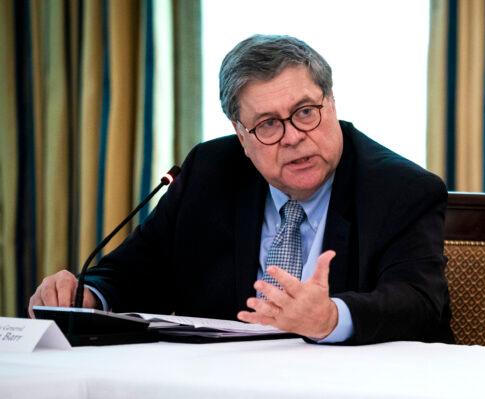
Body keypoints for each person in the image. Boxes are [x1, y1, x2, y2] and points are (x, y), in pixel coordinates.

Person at [29, 34, 453, 345]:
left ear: (332, 104)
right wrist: (88, 294)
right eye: (268, 124)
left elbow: (418, 304)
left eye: (305, 112)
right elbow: (138, 270)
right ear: (241, 134)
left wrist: (329, 317)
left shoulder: (401, 188)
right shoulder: (210, 171)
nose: (292, 137)